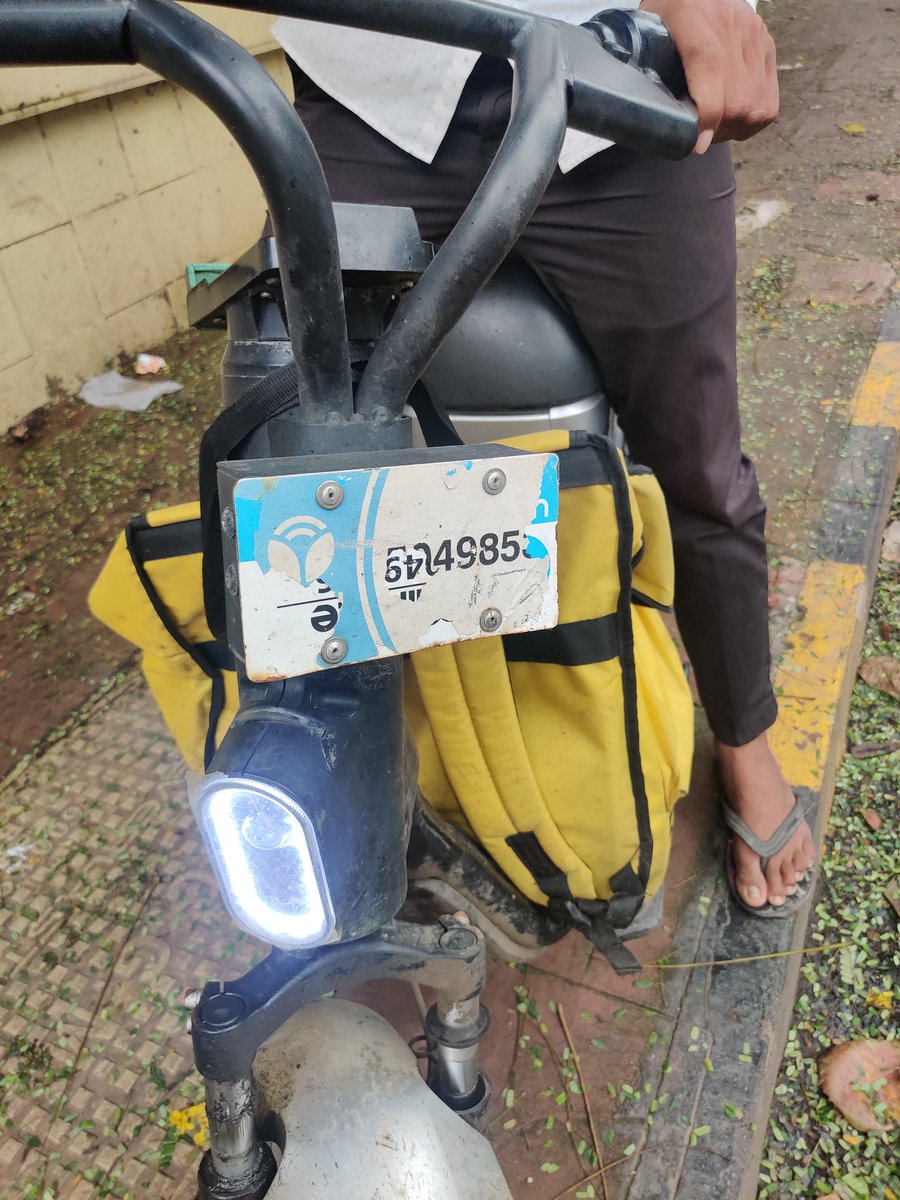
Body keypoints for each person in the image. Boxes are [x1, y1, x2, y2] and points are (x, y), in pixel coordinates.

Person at [272, 0, 816, 916]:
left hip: (628, 71)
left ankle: (743, 739)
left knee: (699, 468)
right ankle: (376, 769)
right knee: (327, 469)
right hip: (368, 76)